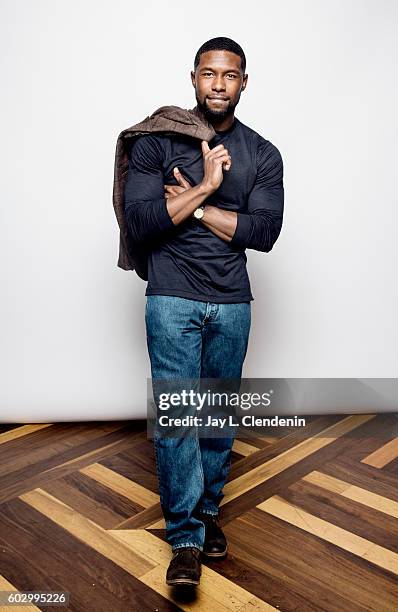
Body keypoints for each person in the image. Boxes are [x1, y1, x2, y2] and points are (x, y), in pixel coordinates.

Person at [124, 36, 284, 587]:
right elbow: (141, 222)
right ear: (193, 77)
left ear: (244, 82)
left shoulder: (263, 153)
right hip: (171, 295)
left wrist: (193, 203)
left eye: (230, 75)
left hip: (232, 300)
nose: (219, 84)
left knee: (216, 418)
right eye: (209, 74)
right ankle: (185, 537)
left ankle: (210, 509)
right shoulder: (156, 142)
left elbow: (263, 232)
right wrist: (213, 190)